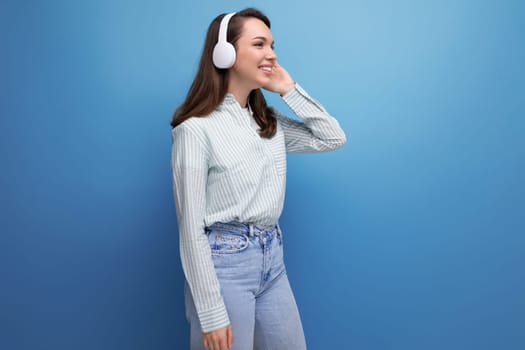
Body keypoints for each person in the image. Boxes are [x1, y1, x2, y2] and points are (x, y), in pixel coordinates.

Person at [170, 8, 346, 350]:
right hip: (225, 267)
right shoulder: (195, 130)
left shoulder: (269, 124)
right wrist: (210, 312)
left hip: (272, 259)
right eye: (259, 44)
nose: (272, 53)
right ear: (225, 52)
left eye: (272, 44)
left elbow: (332, 137)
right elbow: (190, 230)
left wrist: (289, 89)